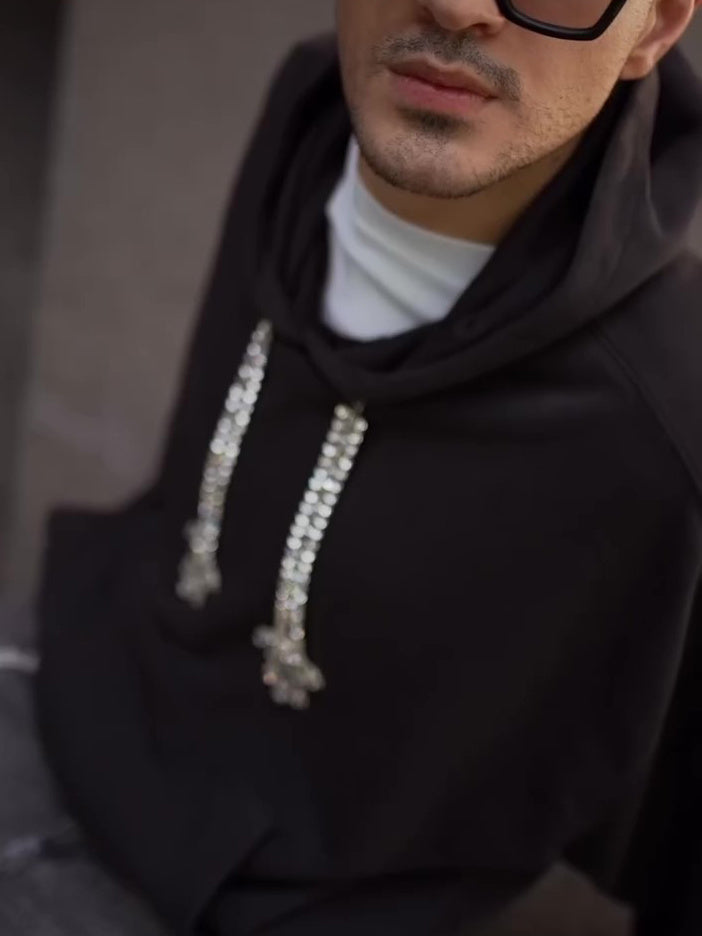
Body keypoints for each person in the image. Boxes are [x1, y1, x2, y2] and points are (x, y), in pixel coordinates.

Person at [8, 0, 702, 933]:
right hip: (99, 657)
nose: (456, 6)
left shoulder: (666, 421)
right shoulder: (318, 102)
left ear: (654, 29)